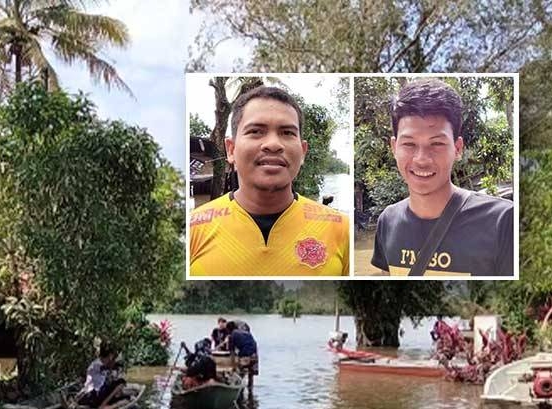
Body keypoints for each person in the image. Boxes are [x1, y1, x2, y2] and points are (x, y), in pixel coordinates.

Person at [189, 85, 350, 277]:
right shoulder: (193, 228)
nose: (273, 144)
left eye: (287, 133)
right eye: (256, 131)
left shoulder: (340, 228)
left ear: (303, 151)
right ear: (231, 150)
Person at [371, 78, 514, 277]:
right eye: (409, 144)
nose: (421, 159)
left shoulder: (504, 221)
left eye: (436, 144)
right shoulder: (388, 221)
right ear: (394, 147)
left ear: (457, 148)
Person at [76, 343, 127, 409]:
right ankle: (103, 406)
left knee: (122, 394)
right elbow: (103, 369)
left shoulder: (98, 363)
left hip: (93, 394)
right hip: (95, 395)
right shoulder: (99, 365)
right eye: (113, 356)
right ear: (110, 356)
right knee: (121, 382)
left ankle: (103, 404)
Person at [225, 320, 258, 385]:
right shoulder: (245, 332)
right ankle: (250, 389)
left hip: (246, 355)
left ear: (228, 330)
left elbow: (232, 353)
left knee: (239, 370)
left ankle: (239, 386)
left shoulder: (232, 335)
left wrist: (233, 366)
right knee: (251, 373)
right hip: (255, 354)